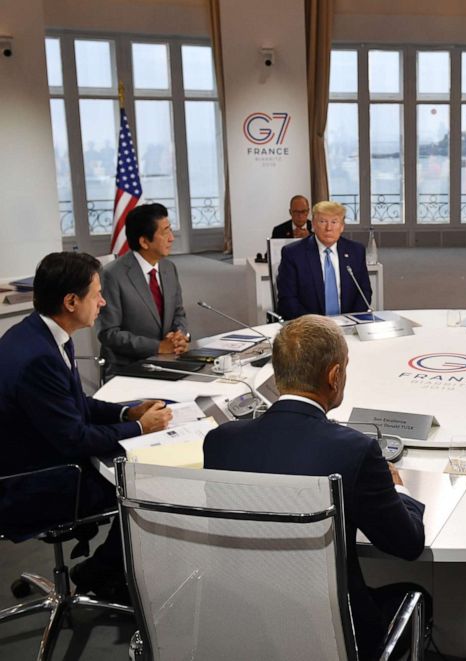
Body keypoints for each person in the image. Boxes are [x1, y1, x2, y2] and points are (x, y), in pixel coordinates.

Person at [203, 315, 425, 660]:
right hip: (334, 630)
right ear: (335, 376)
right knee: (415, 594)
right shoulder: (355, 451)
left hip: (243, 618)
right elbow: (408, 544)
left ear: (277, 375)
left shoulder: (219, 442)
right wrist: (399, 489)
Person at [0, 252, 172, 599]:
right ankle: (100, 572)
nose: (103, 301)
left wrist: (128, 414)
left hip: (33, 459)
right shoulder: (38, 358)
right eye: (97, 294)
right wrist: (143, 430)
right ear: (71, 301)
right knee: (147, 485)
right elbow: (75, 439)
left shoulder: (35, 335)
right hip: (34, 483)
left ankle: (103, 568)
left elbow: (74, 404)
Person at [97, 203, 189, 374]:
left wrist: (180, 335)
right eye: (165, 232)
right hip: (128, 368)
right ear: (144, 242)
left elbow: (178, 313)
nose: (172, 238)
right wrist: (158, 347)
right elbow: (108, 333)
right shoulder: (112, 275)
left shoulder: (169, 268)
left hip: (169, 360)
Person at [276, 200, 372, 320]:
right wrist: (316, 325)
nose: (328, 228)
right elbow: (287, 299)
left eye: (334, 222)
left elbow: (364, 292)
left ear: (342, 227)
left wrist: (351, 320)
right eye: (323, 222)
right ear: (313, 225)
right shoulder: (293, 253)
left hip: (348, 324)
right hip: (309, 328)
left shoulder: (356, 251)